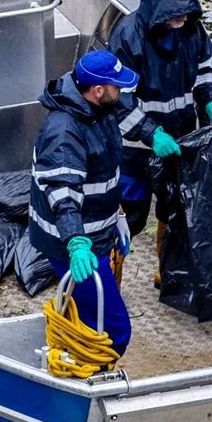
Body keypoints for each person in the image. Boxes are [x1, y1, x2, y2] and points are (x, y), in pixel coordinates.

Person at [29, 50, 138, 357]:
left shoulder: (99, 111)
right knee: (115, 329)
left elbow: (101, 174)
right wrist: (77, 242)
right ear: (98, 90)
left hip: (97, 233)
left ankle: (72, 357)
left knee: (84, 313)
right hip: (75, 244)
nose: (122, 91)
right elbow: (63, 194)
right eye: (117, 86)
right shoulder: (63, 132)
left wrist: (117, 215)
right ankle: (91, 380)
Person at [107, 0, 212, 233]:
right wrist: (151, 133)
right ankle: (115, 270)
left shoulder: (192, 30)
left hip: (178, 140)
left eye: (187, 11)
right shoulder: (128, 36)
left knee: (173, 210)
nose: (183, 17)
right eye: (177, 12)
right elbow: (117, 98)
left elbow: (206, 68)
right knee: (129, 215)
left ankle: (167, 272)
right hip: (133, 147)